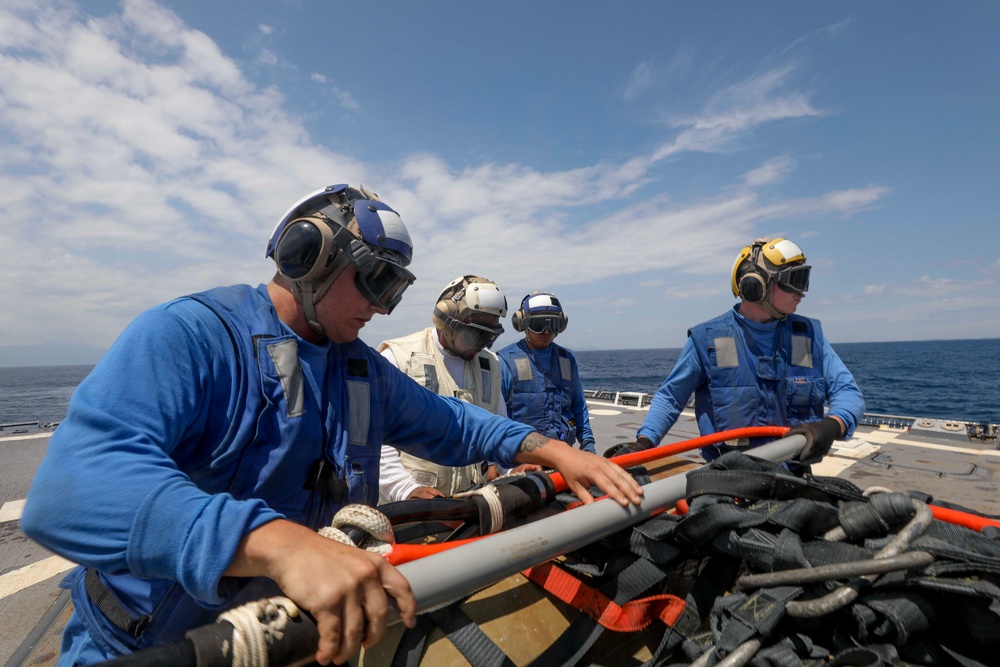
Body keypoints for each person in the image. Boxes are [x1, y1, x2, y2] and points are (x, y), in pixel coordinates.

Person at [20, 184, 643, 667]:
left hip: (304, 638)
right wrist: (282, 544)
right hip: (157, 648)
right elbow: (69, 492)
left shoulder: (358, 370)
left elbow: (450, 422)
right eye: (374, 280)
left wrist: (548, 448)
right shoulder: (191, 335)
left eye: (395, 290)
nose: (382, 306)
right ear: (308, 255)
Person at [634, 237, 865, 467]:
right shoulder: (707, 340)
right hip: (729, 477)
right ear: (756, 285)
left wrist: (834, 423)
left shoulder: (808, 335)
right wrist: (644, 444)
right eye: (794, 280)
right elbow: (671, 397)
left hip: (793, 477)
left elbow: (847, 391)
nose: (802, 292)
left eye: (803, 280)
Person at [377, 275, 541, 502]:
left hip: (472, 505)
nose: (482, 343)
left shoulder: (491, 365)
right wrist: (405, 489)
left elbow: (497, 429)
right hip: (411, 508)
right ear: (447, 321)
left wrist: (511, 470)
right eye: (476, 333)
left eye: (490, 336)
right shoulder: (397, 358)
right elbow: (375, 441)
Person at [498, 292, 597, 455]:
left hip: (563, 454)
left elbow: (578, 404)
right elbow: (495, 415)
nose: (546, 331)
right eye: (539, 324)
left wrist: (588, 444)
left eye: (553, 324)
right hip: (522, 458)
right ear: (522, 323)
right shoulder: (505, 361)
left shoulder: (567, 359)